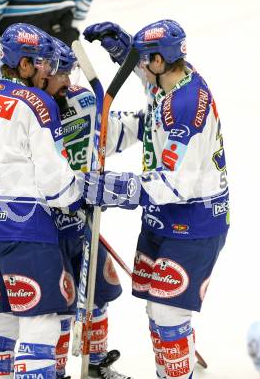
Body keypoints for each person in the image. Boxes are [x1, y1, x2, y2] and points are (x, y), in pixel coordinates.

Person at [82, 19, 230, 379]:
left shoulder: (187, 108)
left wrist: (116, 188)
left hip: (193, 220)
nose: (140, 67)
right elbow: (151, 99)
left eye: (143, 59)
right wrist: (125, 53)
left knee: (167, 314)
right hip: (163, 218)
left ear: (160, 62)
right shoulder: (172, 80)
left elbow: (175, 184)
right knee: (158, 312)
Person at [0, 23, 84, 379]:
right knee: (40, 325)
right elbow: (56, 183)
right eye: (43, 63)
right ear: (25, 65)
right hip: (23, 229)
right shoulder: (39, 103)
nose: (48, 69)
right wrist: (79, 195)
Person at [45, 37, 131, 379]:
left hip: (83, 219)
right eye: (61, 73)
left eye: (70, 72)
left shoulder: (84, 99)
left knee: (98, 292)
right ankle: (57, 370)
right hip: (44, 226)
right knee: (58, 304)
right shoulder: (31, 107)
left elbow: (111, 135)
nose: (68, 81)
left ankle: (96, 363)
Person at [0, 0, 93, 79]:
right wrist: (71, 26)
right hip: (61, 34)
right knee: (62, 93)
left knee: (3, 92)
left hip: (22, 38)